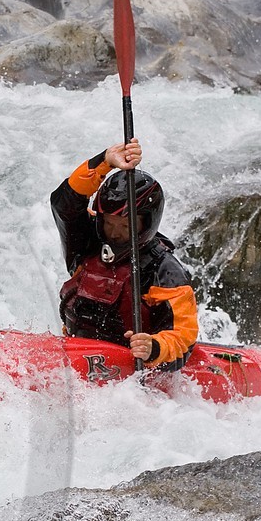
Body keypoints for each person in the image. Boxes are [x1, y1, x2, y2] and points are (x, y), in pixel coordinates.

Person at [50, 138, 198, 370]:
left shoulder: (164, 269)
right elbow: (64, 203)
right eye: (109, 223)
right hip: (78, 352)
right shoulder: (87, 239)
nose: (114, 233)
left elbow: (183, 337)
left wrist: (154, 347)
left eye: (126, 227)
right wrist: (106, 160)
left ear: (146, 225)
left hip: (131, 371)